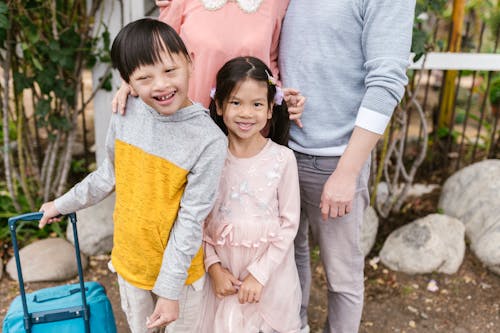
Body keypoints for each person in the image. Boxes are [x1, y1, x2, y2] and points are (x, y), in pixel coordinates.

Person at [38, 18, 227, 333]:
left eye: (170, 71)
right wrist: (62, 204)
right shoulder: (125, 112)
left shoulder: (208, 140)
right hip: (131, 265)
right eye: (144, 77)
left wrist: (169, 290)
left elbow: (192, 220)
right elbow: (108, 175)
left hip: (180, 277)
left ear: (190, 62)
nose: (161, 85)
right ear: (128, 82)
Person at [278, 1, 416, 332]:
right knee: (287, 266)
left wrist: (347, 172)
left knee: (342, 277)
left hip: (336, 159)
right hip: (281, 153)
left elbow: (387, 82)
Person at [199, 56, 301, 332]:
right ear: (219, 106)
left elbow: (289, 223)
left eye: (256, 104)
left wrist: (259, 275)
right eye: (236, 102)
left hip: (270, 277)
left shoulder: (283, 159)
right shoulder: (209, 159)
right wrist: (214, 268)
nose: (246, 113)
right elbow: (199, 221)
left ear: (270, 109)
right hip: (224, 277)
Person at [112, 0, 305, 128]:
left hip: (247, 129)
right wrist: (130, 82)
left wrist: (280, 97)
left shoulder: (277, 3)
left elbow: (270, 62)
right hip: (191, 125)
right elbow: (157, 52)